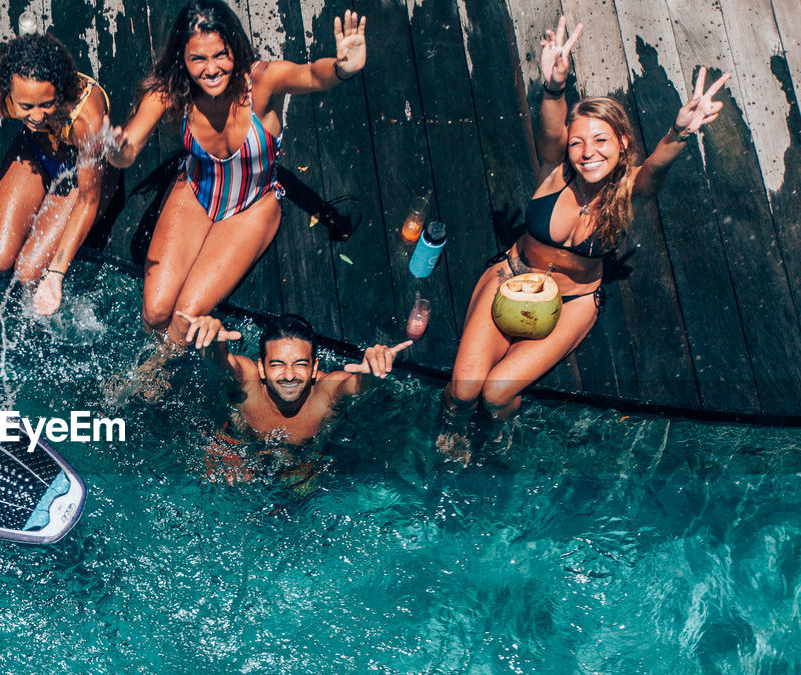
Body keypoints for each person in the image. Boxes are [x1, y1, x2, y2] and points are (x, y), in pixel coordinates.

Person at [444, 18, 730, 422]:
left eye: (601, 140)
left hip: (572, 300)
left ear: (622, 143)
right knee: (462, 392)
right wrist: (555, 86)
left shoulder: (629, 191)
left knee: (495, 394)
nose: (587, 152)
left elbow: (654, 173)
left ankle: (496, 440)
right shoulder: (553, 170)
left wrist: (678, 134)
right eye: (577, 142)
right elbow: (549, 131)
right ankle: (449, 434)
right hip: (512, 277)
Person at [106, 2, 366, 348]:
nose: (212, 69)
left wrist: (343, 68)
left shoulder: (262, 81)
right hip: (196, 192)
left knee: (184, 319)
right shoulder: (169, 91)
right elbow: (130, 147)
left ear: (235, 49)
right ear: (181, 58)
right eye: (198, 59)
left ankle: (155, 373)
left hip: (253, 205)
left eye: (221, 55)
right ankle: (147, 356)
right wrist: (117, 151)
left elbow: (313, 76)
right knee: (154, 312)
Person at [0, 34, 116, 315]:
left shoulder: (85, 119)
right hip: (36, 155)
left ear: (60, 91)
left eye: (47, 104)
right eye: (26, 107)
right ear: (9, 94)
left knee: (28, 272)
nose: (36, 116)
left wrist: (56, 274)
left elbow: (87, 200)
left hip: (82, 178)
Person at [181, 311, 409, 482]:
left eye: (300, 364)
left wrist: (373, 371)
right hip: (236, 454)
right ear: (261, 368)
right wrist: (210, 344)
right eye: (278, 364)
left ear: (314, 367)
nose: (289, 375)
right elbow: (221, 365)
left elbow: (356, 385)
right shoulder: (247, 383)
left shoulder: (326, 393)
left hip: (300, 469)